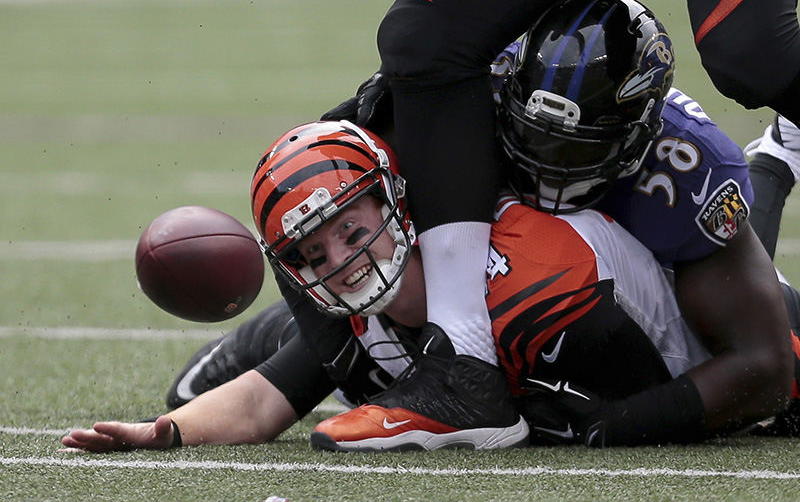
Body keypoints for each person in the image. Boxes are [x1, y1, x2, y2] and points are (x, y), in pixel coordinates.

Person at [61, 119, 784, 454]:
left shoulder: (535, 275)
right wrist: (167, 436)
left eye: (352, 228)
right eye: (313, 252)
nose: (343, 258)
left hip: (695, 339)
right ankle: (277, 334)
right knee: (190, 394)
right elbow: (256, 407)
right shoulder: (356, 305)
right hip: (408, 344)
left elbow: (730, 377)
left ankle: (775, 162)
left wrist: (613, 427)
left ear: (399, 201)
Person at [319, 0, 800, 443]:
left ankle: (776, 162)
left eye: (575, 150)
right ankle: (459, 360)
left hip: (671, 316)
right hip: (578, 308)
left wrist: (619, 423)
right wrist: (411, 80)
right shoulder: (486, 91)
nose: (550, 166)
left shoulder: (684, 167)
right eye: (536, 139)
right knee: (412, 58)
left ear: (639, 138)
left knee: (752, 56)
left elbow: (762, 365)